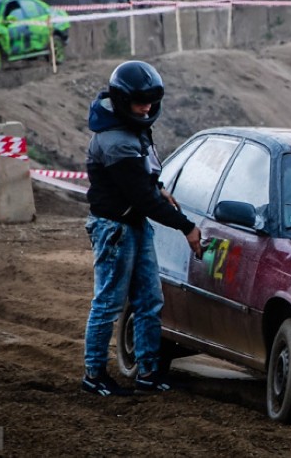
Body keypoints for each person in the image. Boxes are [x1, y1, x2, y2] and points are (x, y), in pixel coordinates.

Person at [82, 60, 202, 396]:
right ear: (123, 101)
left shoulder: (131, 127)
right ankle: (94, 374)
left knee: (150, 300)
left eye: (150, 101)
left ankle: (148, 371)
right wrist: (187, 227)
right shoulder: (116, 140)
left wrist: (156, 187)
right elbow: (141, 196)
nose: (147, 107)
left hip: (132, 223)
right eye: (140, 102)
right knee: (108, 302)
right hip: (116, 228)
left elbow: (141, 182)